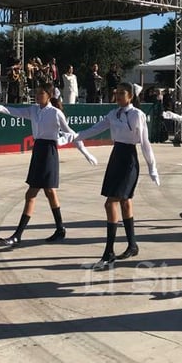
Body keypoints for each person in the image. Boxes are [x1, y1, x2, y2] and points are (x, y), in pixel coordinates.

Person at [0, 83, 96, 246]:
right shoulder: (33, 110)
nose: (37, 96)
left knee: (33, 193)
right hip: (38, 151)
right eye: (36, 93)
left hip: (49, 152)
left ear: (49, 95)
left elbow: (71, 134)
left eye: (41, 93)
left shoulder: (55, 113)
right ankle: (60, 229)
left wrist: (86, 153)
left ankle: (18, 235)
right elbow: (12, 111)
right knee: (49, 192)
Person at [73, 82, 160, 270]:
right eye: (117, 92)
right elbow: (96, 128)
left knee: (110, 202)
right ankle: (132, 245)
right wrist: (77, 136)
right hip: (116, 156)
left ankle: (109, 252)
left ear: (130, 96)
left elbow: (145, 142)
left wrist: (152, 167)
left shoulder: (137, 115)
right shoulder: (114, 114)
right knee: (125, 202)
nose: (118, 96)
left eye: (122, 93)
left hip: (129, 159)